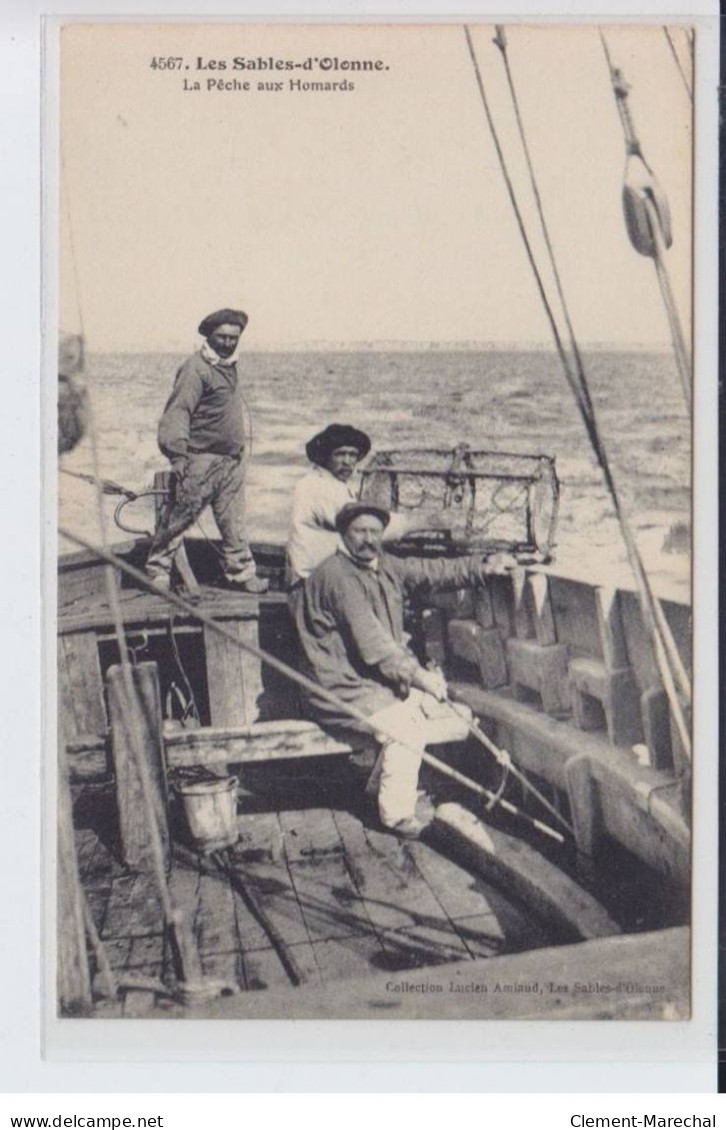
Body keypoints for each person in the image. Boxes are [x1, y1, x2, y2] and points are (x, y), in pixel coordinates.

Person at [293, 500, 516, 838]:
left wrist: (482, 566)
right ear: (343, 534)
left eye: (374, 532)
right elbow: (377, 649)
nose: (368, 539)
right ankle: (396, 816)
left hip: (372, 683)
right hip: (338, 687)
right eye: (359, 532)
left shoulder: (383, 565)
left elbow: (431, 571)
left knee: (439, 712)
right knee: (407, 727)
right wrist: (420, 677)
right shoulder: (337, 578)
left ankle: (377, 786)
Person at [146, 308, 268, 594]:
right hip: (201, 461)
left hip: (231, 462)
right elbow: (178, 413)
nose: (228, 343)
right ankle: (158, 571)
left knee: (234, 522)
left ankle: (241, 572)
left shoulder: (228, 366)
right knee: (179, 519)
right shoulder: (195, 369)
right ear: (209, 336)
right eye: (222, 337)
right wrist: (177, 455)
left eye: (233, 338)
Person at [286, 422, 444, 589]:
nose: (347, 462)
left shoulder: (330, 483)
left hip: (323, 576)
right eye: (340, 454)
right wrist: (418, 522)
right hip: (312, 584)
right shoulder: (318, 486)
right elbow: (364, 526)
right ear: (326, 456)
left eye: (353, 455)